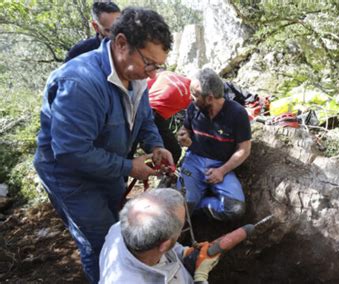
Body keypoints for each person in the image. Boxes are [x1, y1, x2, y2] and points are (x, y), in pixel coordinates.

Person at [34, 8, 174, 283]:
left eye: (158, 66)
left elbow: (144, 119)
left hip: (108, 163)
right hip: (69, 175)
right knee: (99, 242)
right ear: (121, 43)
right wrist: (128, 167)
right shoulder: (80, 83)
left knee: (119, 228)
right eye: (149, 63)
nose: (153, 73)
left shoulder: (138, 78)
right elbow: (71, 153)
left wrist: (156, 145)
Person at [99, 188, 220, 283]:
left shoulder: (121, 228)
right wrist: (200, 278)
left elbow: (160, 240)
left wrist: (183, 252)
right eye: (182, 225)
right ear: (164, 245)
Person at [177, 68, 251, 221]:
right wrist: (184, 135)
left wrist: (222, 171)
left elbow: (244, 149)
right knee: (181, 208)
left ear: (209, 98)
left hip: (221, 165)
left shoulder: (237, 113)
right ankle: (189, 204)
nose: (190, 98)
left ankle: (198, 205)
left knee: (235, 209)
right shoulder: (193, 108)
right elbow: (186, 128)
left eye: (195, 95)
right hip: (193, 163)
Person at [147, 71, 192, 163]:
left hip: (143, 107)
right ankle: (164, 172)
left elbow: (145, 85)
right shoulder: (191, 95)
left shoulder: (166, 74)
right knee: (174, 152)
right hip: (155, 115)